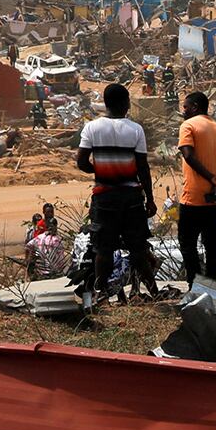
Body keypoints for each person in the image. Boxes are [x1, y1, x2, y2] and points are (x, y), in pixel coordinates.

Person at [76, 81, 157, 307]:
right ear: (125, 104)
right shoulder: (135, 130)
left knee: (103, 249)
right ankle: (154, 290)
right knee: (138, 248)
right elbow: (143, 168)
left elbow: (81, 161)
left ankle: (103, 294)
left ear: (106, 104)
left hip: (104, 198)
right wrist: (150, 199)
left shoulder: (92, 128)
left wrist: (100, 170)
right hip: (131, 199)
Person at [176, 90, 216, 284]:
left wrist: (211, 177)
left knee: (187, 243)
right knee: (211, 243)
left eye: (185, 107)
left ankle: (195, 283)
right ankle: (210, 283)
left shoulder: (188, 126)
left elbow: (188, 155)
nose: (183, 111)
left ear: (194, 107)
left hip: (193, 198)